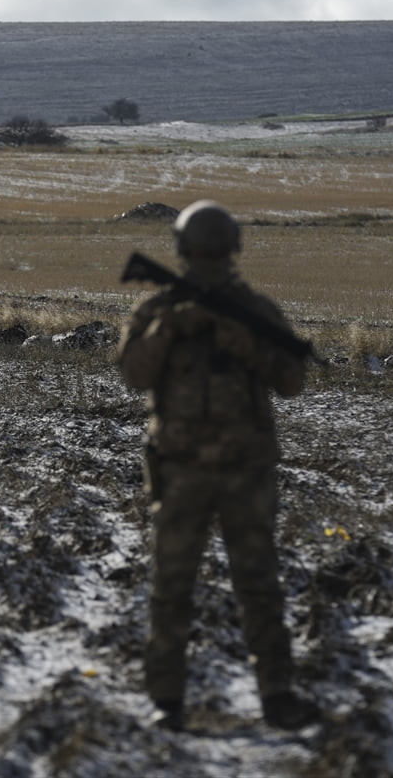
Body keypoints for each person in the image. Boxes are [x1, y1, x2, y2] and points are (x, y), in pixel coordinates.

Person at [116, 200, 319, 732]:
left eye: (213, 252)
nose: (207, 259)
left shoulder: (255, 312)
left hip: (244, 471)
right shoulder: (159, 312)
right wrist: (171, 330)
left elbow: (293, 381)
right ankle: (168, 701)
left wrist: (245, 343)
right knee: (172, 588)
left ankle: (277, 697)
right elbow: (134, 376)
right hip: (180, 471)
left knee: (258, 585)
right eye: (200, 252)